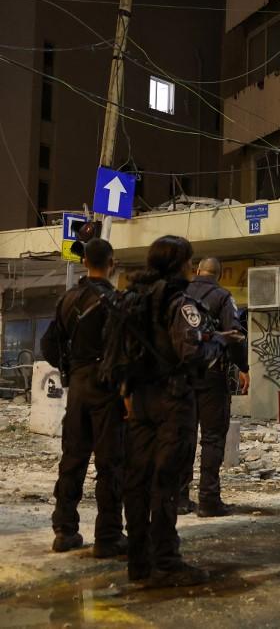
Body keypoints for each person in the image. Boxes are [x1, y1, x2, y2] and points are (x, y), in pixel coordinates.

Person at [121, 236, 237, 587]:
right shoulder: (180, 303)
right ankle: (166, 561)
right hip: (172, 400)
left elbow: (118, 353)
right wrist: (218, 341)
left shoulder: (132, 299)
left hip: (139, 400)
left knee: (138, 481)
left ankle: (139, 561)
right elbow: (193, 353)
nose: (191, 268)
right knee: (166, 481)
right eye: (187, 261)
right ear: (178, 264)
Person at [40, 239, 126, 557]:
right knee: (110, 463)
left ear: (85, 262)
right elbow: (125, 350)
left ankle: (64, 530)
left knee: (73, 459)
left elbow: (48, 344)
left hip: (77, 386)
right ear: (111, 263)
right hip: (107, 389)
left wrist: (70, 367)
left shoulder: (67, 299)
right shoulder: (116, 301)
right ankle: (108, 536)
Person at [179, 257, 250, 517]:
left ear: (197, 271)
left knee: (183, 435)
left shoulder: (179, 296)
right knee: (212, 437)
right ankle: (209, 500)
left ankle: (179, 499)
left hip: (180, 377)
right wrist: (243, 367)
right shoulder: (222, 297)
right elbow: (235, 335)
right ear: (218, 275)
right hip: (211, 374)